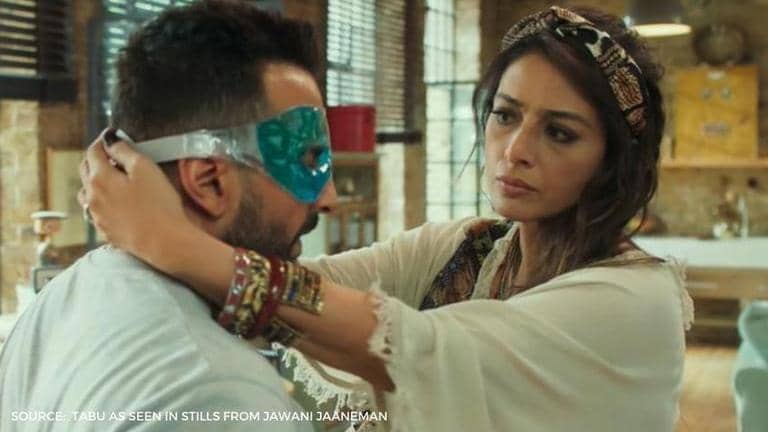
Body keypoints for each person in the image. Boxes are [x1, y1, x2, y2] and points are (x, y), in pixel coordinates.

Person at [79, 5, 694, 432]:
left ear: (613, 161)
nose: (515, 150)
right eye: (505, 115)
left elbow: (418, 348)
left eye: (559, 133)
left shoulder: (635, 302)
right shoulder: (467, 249)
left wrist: (169, 240)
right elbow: (311, 289)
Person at [0, 2, 334, 431]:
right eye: (310, 161)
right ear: (209, 182)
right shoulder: (222, 395)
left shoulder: (59, 303)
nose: (328, 198)